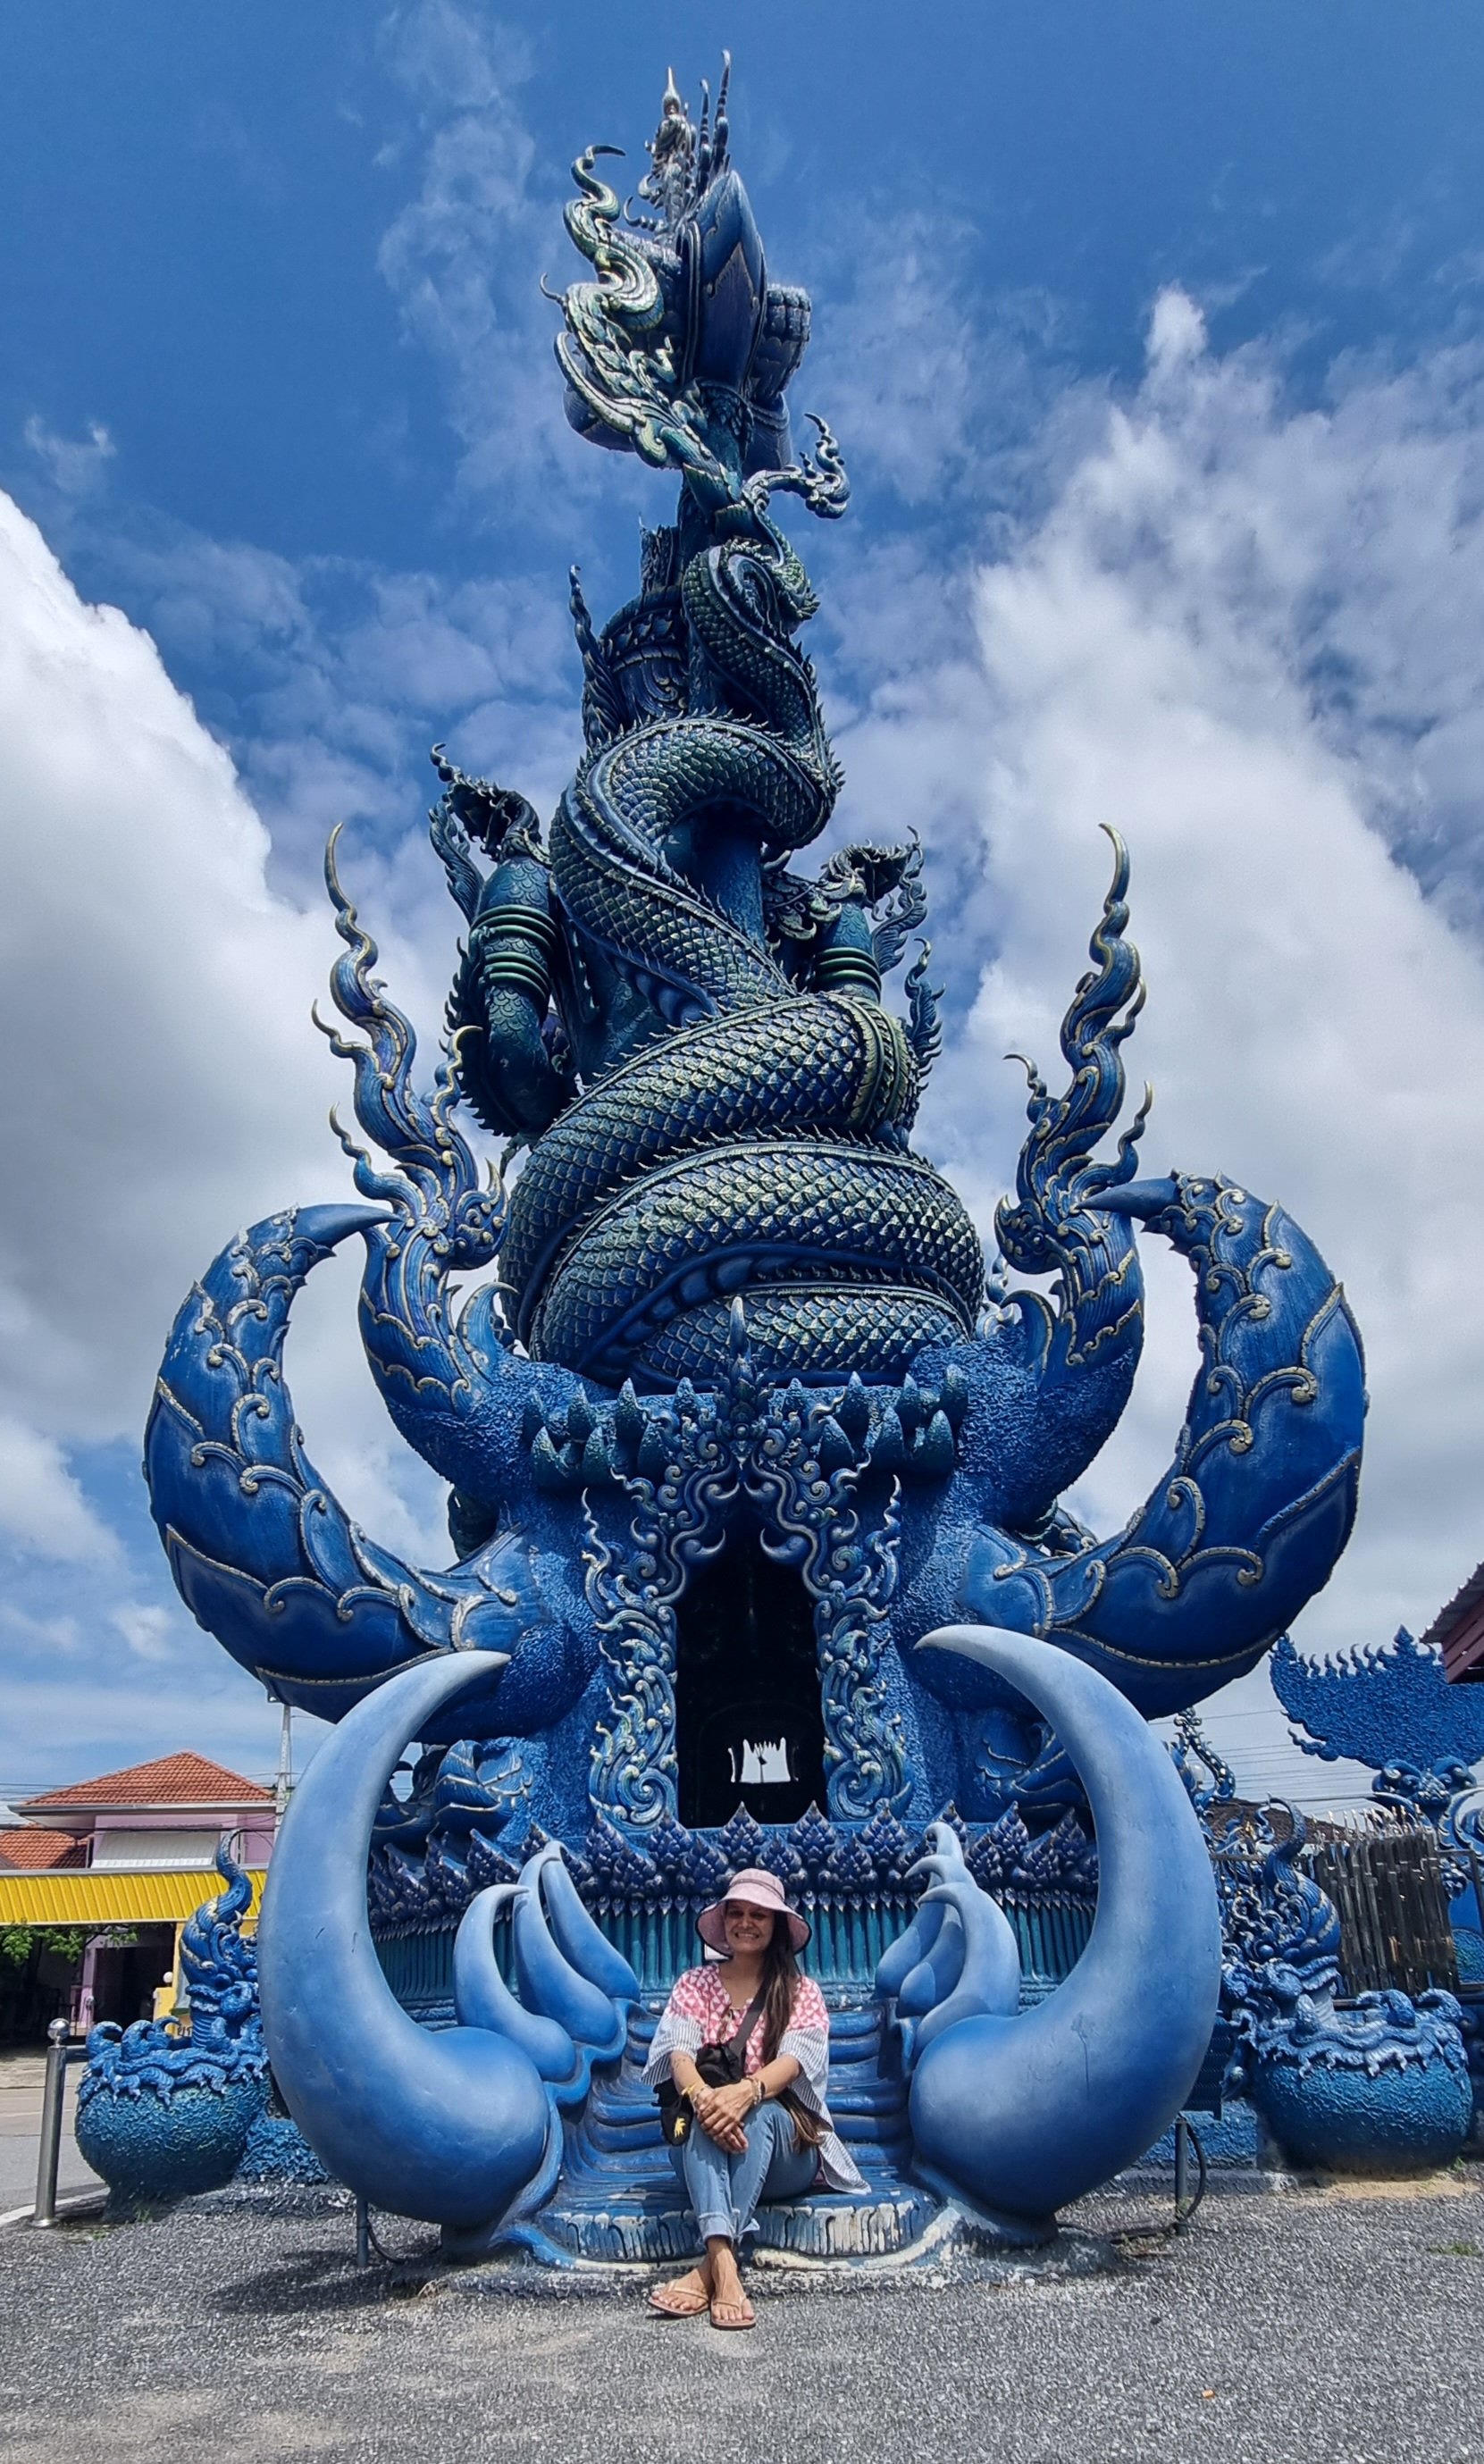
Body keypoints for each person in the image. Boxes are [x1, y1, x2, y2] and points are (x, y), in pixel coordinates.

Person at [643, 1865, 865, 2329]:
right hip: (704, 2144)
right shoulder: (694, 1984)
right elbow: (678, 2052)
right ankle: (724, 2265)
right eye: (736, 1913)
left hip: (785, 2149)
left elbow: (797, 2060)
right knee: (709, 2115)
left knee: (759, 2115)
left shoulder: (801, 1991)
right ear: (723, 1922)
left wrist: (747, 2092)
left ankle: (709, 2269)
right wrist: (705, 2097)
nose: (746, 1922)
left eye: (759, 1915)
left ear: (777, 1925)